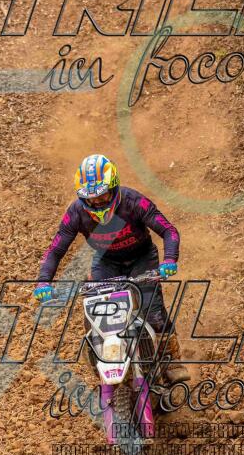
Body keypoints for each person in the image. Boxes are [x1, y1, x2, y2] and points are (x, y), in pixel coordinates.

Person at [34, 153, 189, 384]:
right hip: (106, 262)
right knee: (98, 315)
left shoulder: (133, 201)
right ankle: (103, 360)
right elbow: (56, 249)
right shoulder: (76, 212)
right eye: (91, 199)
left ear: (114, 187)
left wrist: (169, 260)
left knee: (152, 310)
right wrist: (43, 281)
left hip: (142, 258)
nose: (97, 203)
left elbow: (169, 230)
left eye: (102, 195)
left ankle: (171, 359)